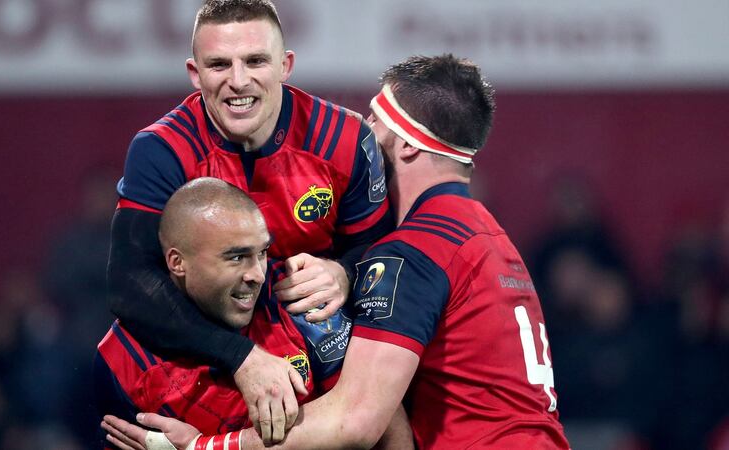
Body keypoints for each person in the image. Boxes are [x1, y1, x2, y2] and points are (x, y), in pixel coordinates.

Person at [103, 55, 570, 449]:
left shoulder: (413, 252)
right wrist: (346, 272)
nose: (363, 133)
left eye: (376, 119)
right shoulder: (490, 238)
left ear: (407, 145)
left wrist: (204, 447)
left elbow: (354, 421)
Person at [106, 0, 391, 442]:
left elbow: (382, 257)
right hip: (202, 361)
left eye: (255, 61)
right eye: (219, 64)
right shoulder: (161, 150)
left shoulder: (346, 140)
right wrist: (244, 358)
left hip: (322, 358)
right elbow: (130, 284)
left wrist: (343, 273)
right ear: (195, 73)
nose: (238, 81)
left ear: (285, 65)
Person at [97, 178, 410, 450]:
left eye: (261, 253)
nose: (257, 274)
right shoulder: (122, 359)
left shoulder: (297, 298)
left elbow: (385, 430)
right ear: (178, 263)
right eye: (236, 257)